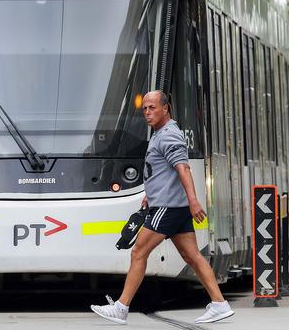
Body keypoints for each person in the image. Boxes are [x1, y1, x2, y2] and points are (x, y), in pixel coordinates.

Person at [91, 90, 234, 325]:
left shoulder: (168, 136)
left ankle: (121, 307)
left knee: (138, 252)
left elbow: (183, 169)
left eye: (152, 108)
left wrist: (194, 200)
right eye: (145, 108)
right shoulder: (160, 134)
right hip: (171, 206)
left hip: (167, 208)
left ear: (165, 108)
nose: (147, 112)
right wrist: (150, 193)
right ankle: (219, 304)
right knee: (192, 255)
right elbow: (162, 171)